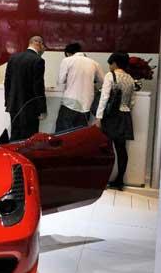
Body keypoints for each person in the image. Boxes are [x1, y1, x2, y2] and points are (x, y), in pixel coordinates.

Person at [94, 51, 135, 190]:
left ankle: (102, 180)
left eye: (110, 63)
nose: (109, 66)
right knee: (121, 149)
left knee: (106, 149)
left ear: (115, 63)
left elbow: (104, 98)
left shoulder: (110, 76)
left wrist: (98, 117)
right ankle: (119, 181)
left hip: (111, 117)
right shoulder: (130, 78)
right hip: (125, 116)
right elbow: (132, 101)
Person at [4, 35, 47, 141]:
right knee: (29, 138)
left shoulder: (13, 58)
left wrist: (8, 102)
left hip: (13, 105)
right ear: (39, 43)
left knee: (15, 135)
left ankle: (13, 156)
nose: (43, 49)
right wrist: (42, 108)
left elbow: (7, 82)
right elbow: (38, 86)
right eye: (43, 46)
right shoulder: (38, 60)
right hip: (30, 107)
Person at [55, 43, 104, 132]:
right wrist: (93, 86)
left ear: (68, 53)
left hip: (69, 104)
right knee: (80, 135)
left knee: (63, 135)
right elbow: (102, 81)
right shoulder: (94, 63)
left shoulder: (67, 60)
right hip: (86, 105)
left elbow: (60, 81)